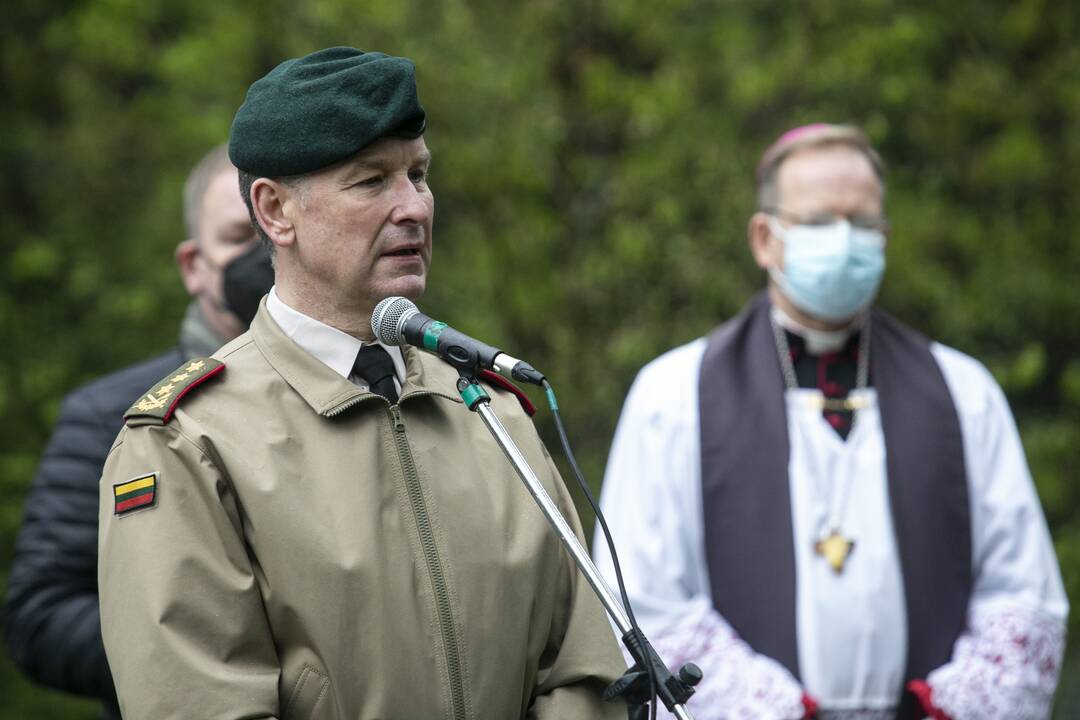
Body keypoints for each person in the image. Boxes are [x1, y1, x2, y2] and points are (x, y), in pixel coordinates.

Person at [97, 46, 625, 720]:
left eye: (420, 175)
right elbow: (199, 702)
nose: (413, 207)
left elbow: (585, 667)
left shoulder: (490, 409)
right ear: (276, 211)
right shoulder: (189, 443)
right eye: (371, 181)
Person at [593, 124, 1068, 720]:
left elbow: (1024, 595)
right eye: (819, 223)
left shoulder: (963, 390)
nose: (844, 241)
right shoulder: (672, 395)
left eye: (863, 224)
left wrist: (946, 709)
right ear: (765, 239)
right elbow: (639, 599)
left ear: (885, 240)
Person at [4, 144, 271, 719]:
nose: (263, 258)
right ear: (193, 266)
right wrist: (195, 654)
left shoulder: (373, 391)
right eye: (238, 238)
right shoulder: (113, 417)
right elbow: (39, 614)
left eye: (272, 233)